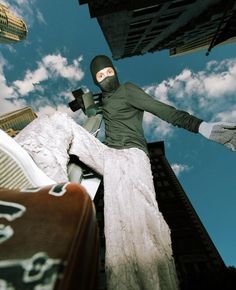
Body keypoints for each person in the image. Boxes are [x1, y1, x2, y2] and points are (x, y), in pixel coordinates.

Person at [1, 55, 236, 290]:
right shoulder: (101, 101)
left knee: (133, 221)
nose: (105, 79)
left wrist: (204, 128)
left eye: (108, 73)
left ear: (114, 72)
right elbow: (91, 115)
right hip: (108, 156)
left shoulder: (128, 90)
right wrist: (85, 107)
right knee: (55, 120)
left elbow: (165, 111)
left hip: (132, 157)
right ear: (95, 80)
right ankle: (47, 186)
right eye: (99, 77)